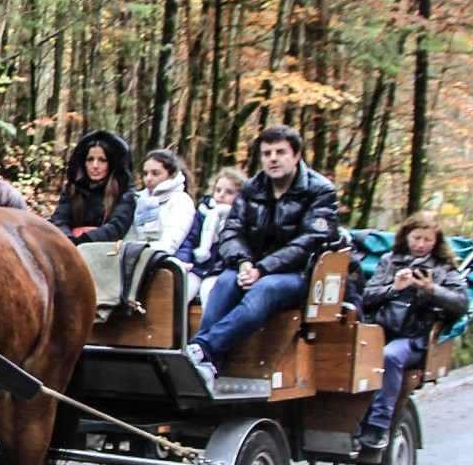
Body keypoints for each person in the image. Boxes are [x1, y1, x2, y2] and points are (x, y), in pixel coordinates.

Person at [185, 125, 341, 383]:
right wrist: (244, 262)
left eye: (280, 152)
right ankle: (209, 367)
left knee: (265, 288)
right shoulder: (252, 187)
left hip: (300, 274)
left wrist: (263, 269)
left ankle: (202, 348)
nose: (273, 158)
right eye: (267, 153)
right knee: (224, 282)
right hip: (252, 266)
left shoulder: (321, 190)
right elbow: (232, 231)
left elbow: (310, 241)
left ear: (296, 155)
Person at [354, 211, 467, 450]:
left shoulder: (444, 268)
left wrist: (431, 289)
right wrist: (393, 288)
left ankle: (378, 426)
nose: (420, 245)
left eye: (427, 240)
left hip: (415, 338)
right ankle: (348, 425)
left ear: (436, 241)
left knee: (391, 356)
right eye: (416, 238)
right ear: (406, 236)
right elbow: (366, 297)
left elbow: (460, 304)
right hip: (381, 330)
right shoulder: (390, 260)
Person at [48, 130, 135, 244]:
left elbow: (117, 227)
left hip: (105, 251)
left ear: (112, 163)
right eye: (90, 159)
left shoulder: (124, 193)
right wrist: (69, 239)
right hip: (69, 246)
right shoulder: (73, 190)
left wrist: (85, 240)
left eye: (102, 160)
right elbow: (59, 219)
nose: (95, 166)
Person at [186, 166, 248, 303]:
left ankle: (207, 325)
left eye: (229, 192)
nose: (221, 195)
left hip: (221, 270)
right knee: (181, 290)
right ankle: (180, 324)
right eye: (218, 190)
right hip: (198, 266)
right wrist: (184, 259)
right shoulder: (203, 212)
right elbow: (191, 239)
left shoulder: (240, 217)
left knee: (209, 292)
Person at [131, 149, 197, 256]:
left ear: (172, 174)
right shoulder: (139, 199)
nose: (148, 178)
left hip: (167, 259)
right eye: (145, 173)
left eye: (155, 173)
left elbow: (170, 242)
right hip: (136, 256)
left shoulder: (181, 201)